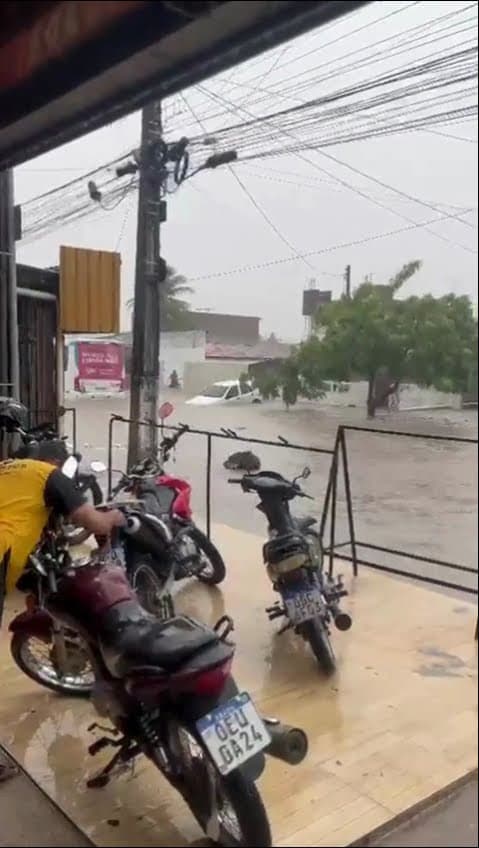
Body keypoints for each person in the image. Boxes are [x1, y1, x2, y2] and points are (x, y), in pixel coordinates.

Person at [0, 440, 125, 623]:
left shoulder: (4, 466)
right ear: (56, 462)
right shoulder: (48, 474)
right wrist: (115, 516)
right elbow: (96, 523)